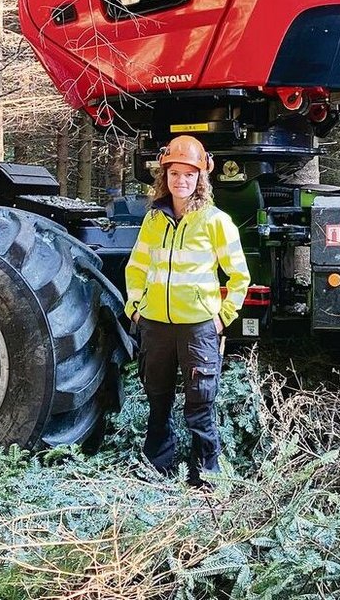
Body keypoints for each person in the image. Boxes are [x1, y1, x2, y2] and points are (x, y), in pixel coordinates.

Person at [124, 134, 250, 487]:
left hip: (198, 329)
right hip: (156, 326)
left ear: (200, 179)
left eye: (189, 175)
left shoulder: (215, 221)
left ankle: (206, 477)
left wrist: (223, 316)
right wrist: (136, 308)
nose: (181, 181)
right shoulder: (154, 220)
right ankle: (158, 469)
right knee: (158, 401)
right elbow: (136, 268)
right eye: (174, 173)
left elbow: (240, 275)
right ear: (164, 176)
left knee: (200, 405)